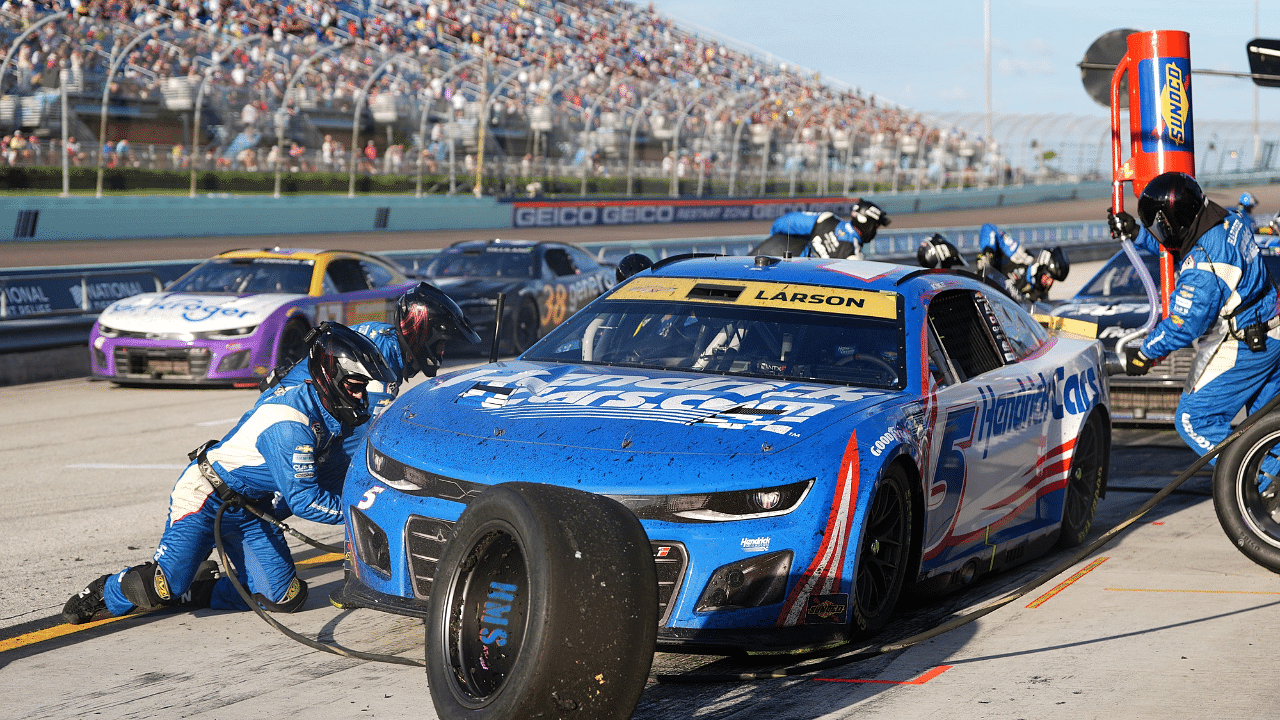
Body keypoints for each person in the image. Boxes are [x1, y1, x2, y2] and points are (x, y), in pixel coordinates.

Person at [61, 324, 396, 625]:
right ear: (330, 377)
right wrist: (369, 511)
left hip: (249, 509)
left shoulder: (323, 399)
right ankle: (108, 590)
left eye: (363, 386)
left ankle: (200, 589)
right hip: (206, 495)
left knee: (285, 598)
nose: (361, 395)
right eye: (355, 385)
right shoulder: (290, 425)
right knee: (166, 586)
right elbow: (305, 501)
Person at [1108, 171, 1280, 462]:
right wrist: (1138, 234)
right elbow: (1185, 246)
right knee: (1265, 430)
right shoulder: (1229, 220)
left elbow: (1185, 323)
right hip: (1270, 334)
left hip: (1245, 344)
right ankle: (1273, 488)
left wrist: (1146, 353)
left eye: (1158, 226)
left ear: (1174, 220)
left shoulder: (1204, 266)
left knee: (1194, 419)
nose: (1158, 233)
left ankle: (1257, 486)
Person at [257, 282, 481, 488]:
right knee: (357, 477)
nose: (442, 352)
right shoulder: (383, 361)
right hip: (281, 421)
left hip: (283, 404)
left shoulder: (382, 335)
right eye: (440, 343)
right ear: (421, 333)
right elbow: (365, 440)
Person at [976, 222, 1069, 304]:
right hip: (978, 291)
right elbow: (989, 228)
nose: (1049, 283)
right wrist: (988, 253)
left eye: (1053, 280)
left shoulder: (1040, 296)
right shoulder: (1019, 256)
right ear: (1041, 268)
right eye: (1048, 277)